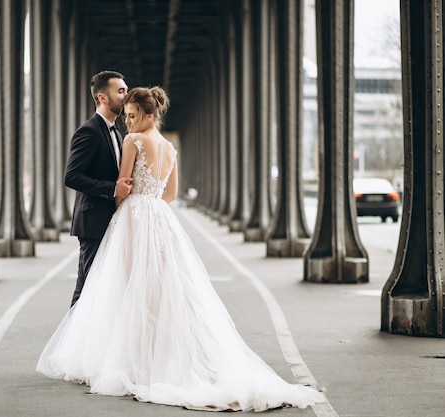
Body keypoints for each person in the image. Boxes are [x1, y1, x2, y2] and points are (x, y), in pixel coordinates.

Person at [37, 86, 325, 411]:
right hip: (161, 218)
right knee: (164, 289)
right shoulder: (170, 148)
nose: (127, 122)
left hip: (133, 216)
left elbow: (122, 187)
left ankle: (130, 360)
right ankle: (164, 355)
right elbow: (171, 194)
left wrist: (126, 209)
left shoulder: (133, 142)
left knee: (126, 287)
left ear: (147, 115)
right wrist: (151, 208)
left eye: (131, 116)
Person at [64, 70, 132, 307]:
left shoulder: (118, 132)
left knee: (103, 286)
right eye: (120, 91)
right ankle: (72, 341)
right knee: (87, 287)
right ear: (102, 97)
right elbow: (71, 176)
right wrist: (112, 189)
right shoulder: (89, 132)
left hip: (113, 220)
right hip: (93, 222)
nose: (126, 95)